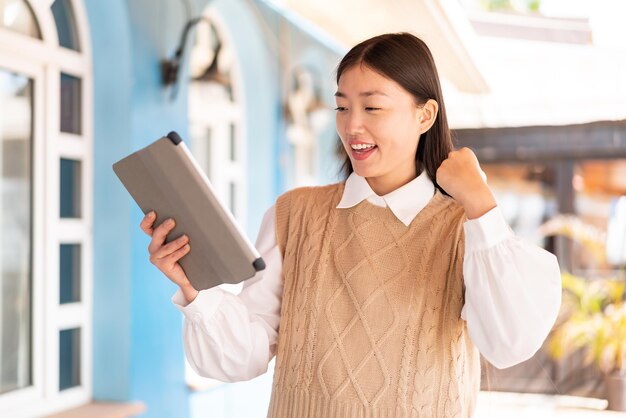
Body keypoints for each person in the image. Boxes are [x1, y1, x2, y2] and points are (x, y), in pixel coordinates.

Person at [140, 32, 562, 418]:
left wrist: (481, 205)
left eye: (372, 107)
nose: (351, 125)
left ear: (425, 115)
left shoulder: (465, 229)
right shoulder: (295, 215)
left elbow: (509, 343)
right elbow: (243, 356)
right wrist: (195, 288)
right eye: (342, 106)